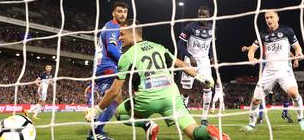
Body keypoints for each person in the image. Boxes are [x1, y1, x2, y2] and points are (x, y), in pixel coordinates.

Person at [86, 20, 230, 140]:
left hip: (147, 99)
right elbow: (182, 64)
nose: (119, 38)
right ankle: (212, 135)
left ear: (132, 32)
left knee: (119, 112)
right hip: (171, 97)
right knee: (193, 132)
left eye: (122, 34)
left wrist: (96, 111)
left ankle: (147, 124)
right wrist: (200, 77)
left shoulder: (126, 56)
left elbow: (113, 92)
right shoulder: (158, 47)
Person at [241, 10, 304, 132]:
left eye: (271, 17)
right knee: (256, 100)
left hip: (284, 71)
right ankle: (251, 125)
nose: (269, 20)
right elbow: (252, 50)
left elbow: (297, 47)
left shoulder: (287, 31)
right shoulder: (262, 34)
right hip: (268, 72)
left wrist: (299, 53)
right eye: (266, 18)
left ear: (277, 18)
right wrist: (251, 58)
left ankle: (301, 119)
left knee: (294, 93)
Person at [89, 1, 128, 140]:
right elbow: (111, 49)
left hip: (103, 67)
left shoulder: (110, 26)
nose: (122, 14)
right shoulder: (113, 26)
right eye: (119, 11)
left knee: (114, 100)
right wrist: (127, 62)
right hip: (107, 67)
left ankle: (97, 129)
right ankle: (95, 132)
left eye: (124, 12)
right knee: (114, 100)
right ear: (113, 13)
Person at [178, 6, 215, 125]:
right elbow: (180, 45)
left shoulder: (212, 28)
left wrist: (212, 56)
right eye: (199, 14)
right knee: (186, 90)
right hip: (190, 61)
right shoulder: (190, 27)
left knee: (207, 86)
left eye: (204, 15)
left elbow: (211, 45)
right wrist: (190, 56)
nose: (201, 17)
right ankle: (184, 112)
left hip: (204, 62)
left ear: (208, 16)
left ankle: (204, 118)